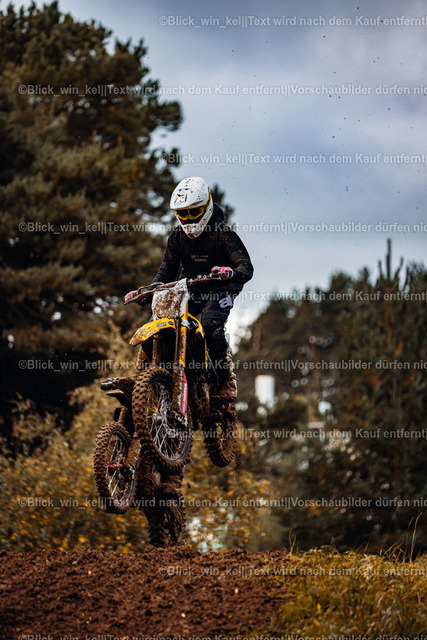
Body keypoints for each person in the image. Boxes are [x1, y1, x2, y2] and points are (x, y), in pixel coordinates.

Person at [125, 176, 254, 399]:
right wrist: (147, 293)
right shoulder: (177, 236)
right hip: (189, 288)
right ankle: (141, 377)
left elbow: (246, 267)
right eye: (182, 214)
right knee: (155, 322)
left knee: (210, 325)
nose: (188, 219)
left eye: (194, 212)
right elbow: (166, 272)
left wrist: (230, 272)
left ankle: (226, 380)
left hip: (220, 289)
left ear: (206, 207)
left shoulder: (223, 234)